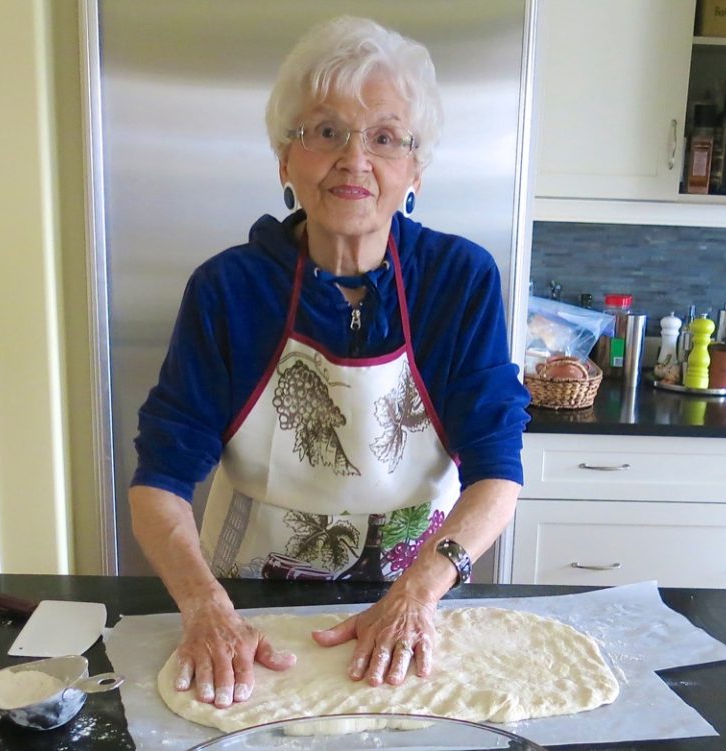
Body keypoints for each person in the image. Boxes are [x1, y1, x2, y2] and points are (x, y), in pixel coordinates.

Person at [129, 15, 530, 711]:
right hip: (247, 610)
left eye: (384, 137)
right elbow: (158, 481)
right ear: (285, 159)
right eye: (324, 131)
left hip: (414, 603)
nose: (354, 159)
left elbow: (498, 473)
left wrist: (414, 597)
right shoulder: (229, 290)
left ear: (415, 168)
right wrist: (204, 607)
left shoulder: (458, 281)